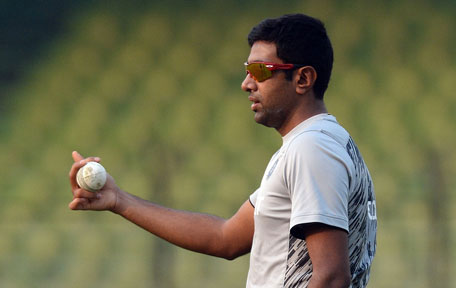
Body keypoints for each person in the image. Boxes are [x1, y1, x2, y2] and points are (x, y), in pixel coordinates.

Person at [69, 13, 377, 288]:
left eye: (259, 70)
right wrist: (118, 199)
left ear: (303, 78)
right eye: (247, 70)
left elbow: (333, 278)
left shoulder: (312, 148)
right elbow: (226, 238)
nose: (246, 83)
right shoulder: (319, 144)